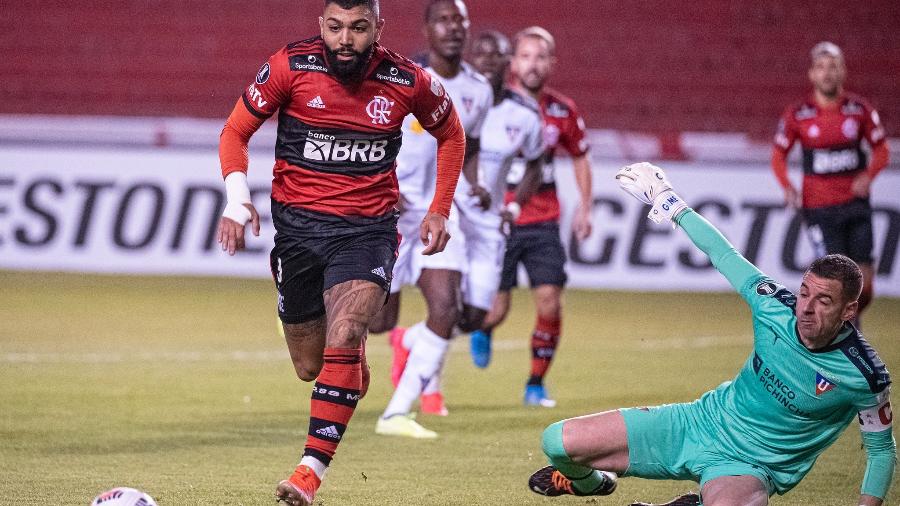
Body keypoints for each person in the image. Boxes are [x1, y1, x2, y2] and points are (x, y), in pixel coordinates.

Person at [527, 162, 895, 506]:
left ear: (850, 311)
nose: (806, 308)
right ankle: (592, 483)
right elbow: (724, 254)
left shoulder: (863, 375)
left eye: (824, 301)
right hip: (697, 423)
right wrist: (671, 203)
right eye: (804, 293)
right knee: (557, 441)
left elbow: (881, 453)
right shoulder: (774, 305)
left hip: (747, 467)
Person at [216, 0, 465, 503]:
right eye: (335, 28)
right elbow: (236, 130)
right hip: (298, 234)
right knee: (310, 365)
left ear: (378, 27)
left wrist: (440, 208)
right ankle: (347, 371)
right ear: (321, 27)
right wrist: (237, 201)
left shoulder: (407, 80)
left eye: (357, 28)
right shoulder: (290, 65)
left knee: (349, 330)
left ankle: (309, 472)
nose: (345, 39)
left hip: (367, 231)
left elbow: (451, 134)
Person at [368, 0, 493, 435]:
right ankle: (304, 306)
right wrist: (383, 183)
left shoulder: (480, 89)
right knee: (380, 319)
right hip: (387, 210)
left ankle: (397, 412)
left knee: (446, 307)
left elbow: (467, 144)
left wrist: (472, 183)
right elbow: (373, 133)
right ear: (427, 29)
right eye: (444, 20)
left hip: (438, 210)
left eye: (460, 20)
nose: (454, 28)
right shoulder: (403, 80)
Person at [469, 26, 594, 408]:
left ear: (552, 63)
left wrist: (585, 206)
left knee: (550, 302)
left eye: (541, 57)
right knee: (496, 310)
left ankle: (535, 384)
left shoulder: (561, 110)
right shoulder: (491, 104)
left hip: (543, 220)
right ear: (512, 62)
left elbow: (580, 156)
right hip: (499, 221)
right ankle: (484, 329)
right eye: (525, 56)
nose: (533, 64)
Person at [772, 41, 889, 325]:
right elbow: (778, 155)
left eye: (833, 67)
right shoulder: (798, 115)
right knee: (836, 281)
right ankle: (841, 343)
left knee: (865, 285)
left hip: (855, 206)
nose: (827, 73)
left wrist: (868, 175)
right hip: (819, 211)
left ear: (842, 72)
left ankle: (845, 327)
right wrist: (787, 186)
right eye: (821, 67)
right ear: (812, 74)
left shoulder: (859, 110)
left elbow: (882, 149)